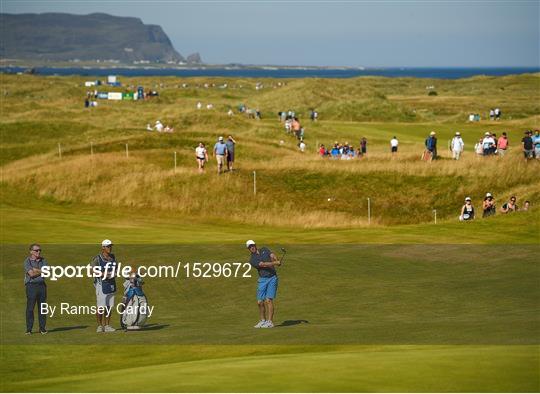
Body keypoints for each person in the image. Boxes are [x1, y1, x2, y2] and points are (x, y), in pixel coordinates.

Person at [246, 240, 281, 328]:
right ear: (248, 249)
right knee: (259, 302)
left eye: (252, 245)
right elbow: (263, 264)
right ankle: (262, 320)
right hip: (262, 280)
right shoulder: (252, 259)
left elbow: (271, 255)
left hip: (272, 278)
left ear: (255, 245)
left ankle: (270, 322)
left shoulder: (264, 249)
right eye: (250, 247)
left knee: (268, 300)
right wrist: (275, 263)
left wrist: (276, 259)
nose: (252, 247)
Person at [92, 239, 118, 333]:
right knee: (100, 307)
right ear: (103, 247)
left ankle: (107, 325)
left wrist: (114, 273)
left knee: (109, 306)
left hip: (111, 284)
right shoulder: (97, 259)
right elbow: (93, 270)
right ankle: (99, 326)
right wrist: (103, 274)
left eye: (110, 246)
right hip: (101, 284)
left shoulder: (113, 257)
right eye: (108, 246)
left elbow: (116, 268)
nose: (110, 248)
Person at [24, 244, 48, 335]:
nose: (39, 252)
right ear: (31, 251)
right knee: (30, 308)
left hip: (42, 286)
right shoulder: (27, 261)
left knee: (42, 308)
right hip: (31, 286)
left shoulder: (43, 260)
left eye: (39, 250)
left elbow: (47, 272)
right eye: (36, 250)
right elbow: (31, 274)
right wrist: (41, 271)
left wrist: (36, 270)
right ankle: (29, 329)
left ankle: (42, 328)